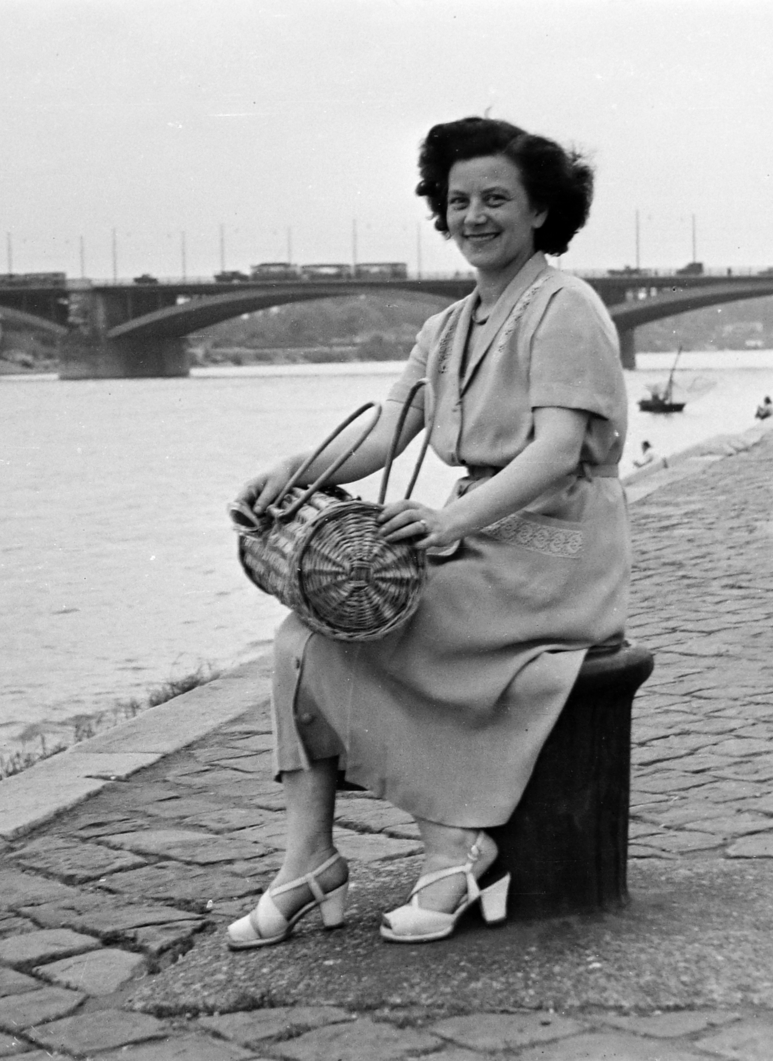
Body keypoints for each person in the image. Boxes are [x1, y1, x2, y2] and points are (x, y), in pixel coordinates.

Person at [230, 116, 629, 948]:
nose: (474, 216)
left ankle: (454, 847)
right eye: (457, 201)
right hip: (479, 538)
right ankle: (307, 856)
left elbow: (557, 454)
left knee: (358, 632)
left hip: (554, 549)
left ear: (541, 211)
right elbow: (386, 427)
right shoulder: (445, 328)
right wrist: (297, 469)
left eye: (496, 199)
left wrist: (449, 520)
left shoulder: (567, 306)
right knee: (297, 639)